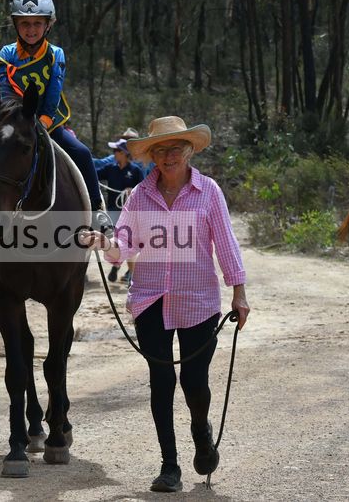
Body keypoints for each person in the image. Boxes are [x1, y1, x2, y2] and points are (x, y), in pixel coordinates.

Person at [79, 116, 251, 493]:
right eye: (160, 150)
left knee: (193, 381)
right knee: (161, 381)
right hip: (150, 299)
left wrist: (239, 292)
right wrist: (104, 243)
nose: (168, 156)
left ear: (188, 151)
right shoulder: (140, 196)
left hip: (198, 300)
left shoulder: (208, 192)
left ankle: (201, 433)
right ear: (152, 156)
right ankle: (169, 465)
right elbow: (125, 245)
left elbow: (226, 243)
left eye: (175, 149)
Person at [0, 0, 104, 228]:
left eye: (37, 23)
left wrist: (42, 122)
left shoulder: (55, 54)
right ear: (16, 24)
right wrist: (16, 121)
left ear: (48, 25)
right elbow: (6, 91)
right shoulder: (7, 53)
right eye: (25, 23)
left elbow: (53, 94)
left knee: (82, 152)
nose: (31, 29)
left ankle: (98, 212)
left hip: (48, 122)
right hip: (15, 122)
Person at [96, 132, 144, 283]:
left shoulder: (135, 171)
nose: (114, 153)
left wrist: (132, 191)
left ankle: (129, 275)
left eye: (116, 150)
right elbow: (94, 175)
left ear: (123, 153)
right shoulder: (110, 168)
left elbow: (144, 190)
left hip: (130, 215)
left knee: (128, 243)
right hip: (112, 212)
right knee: (117, 242)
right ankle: (119, 267)